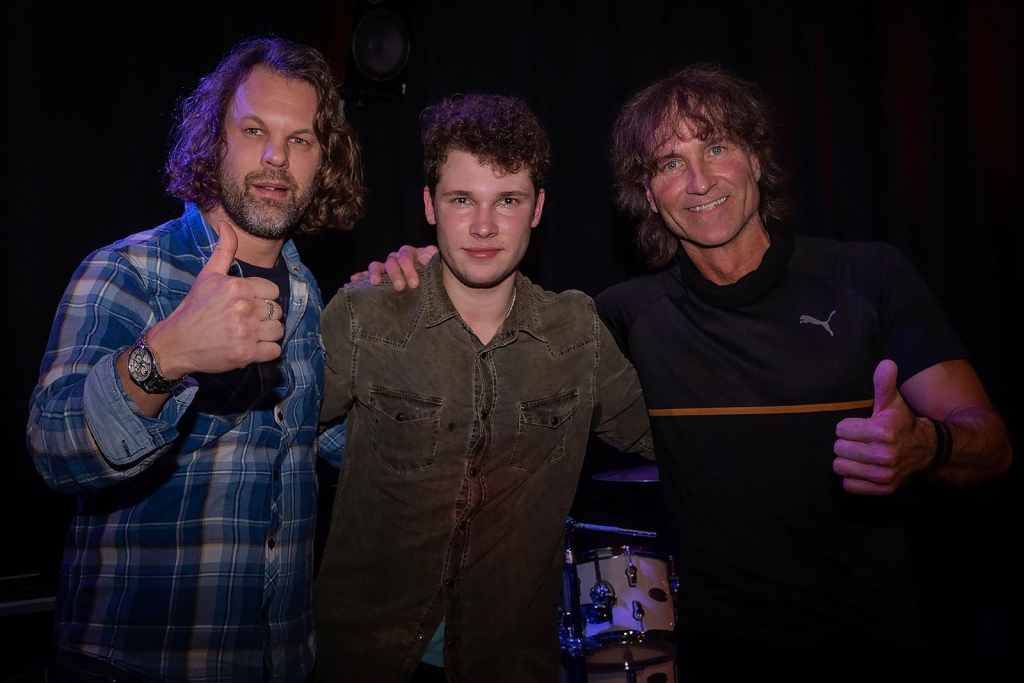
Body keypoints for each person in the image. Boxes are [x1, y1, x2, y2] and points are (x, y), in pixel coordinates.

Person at [367, 64, 1013, 680]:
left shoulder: (868, 277)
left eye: (716, 147)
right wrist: (424, 280)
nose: (699, 180)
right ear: (649, 194)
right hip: (718, 658)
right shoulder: (623, 318)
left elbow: (992, 443)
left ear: (755, 159)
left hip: (876, 650)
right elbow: (490, 367)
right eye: (670, 163)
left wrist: (928, 444)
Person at [26, 36, 369, 682]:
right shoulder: (127, 270)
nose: (276, 156)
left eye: (300, 140)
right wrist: (165, 356)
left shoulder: (307, 296)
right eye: (254, 130)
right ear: (214, 140)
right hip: (137, 664)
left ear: (324, 162)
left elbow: (333, 442)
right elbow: (54, 447)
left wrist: (414, 315)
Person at [312, 93, 653, 682]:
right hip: (363, 660)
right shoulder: (366, 315)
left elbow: (675, 439)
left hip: (509, 663)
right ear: (430, 204)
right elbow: (273, 438)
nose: (484, 226)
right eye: (462, 199)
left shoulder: (577, 334)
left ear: (537, 208)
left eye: (508, 200)